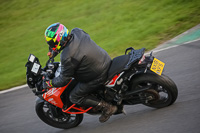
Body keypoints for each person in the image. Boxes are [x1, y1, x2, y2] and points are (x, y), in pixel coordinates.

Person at [43, 23, 117, 123]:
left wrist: (49, 83)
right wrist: (54, 51)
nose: (51, 45)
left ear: (58, 40)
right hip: (104, 59)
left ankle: (107, 107)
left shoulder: (67, 56)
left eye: (52, 43)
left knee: (74, 97)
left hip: (98, 75)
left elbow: (64, 79)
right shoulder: (77, 31)